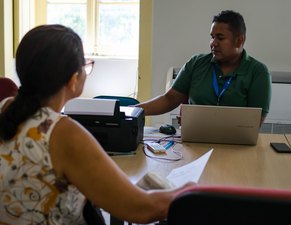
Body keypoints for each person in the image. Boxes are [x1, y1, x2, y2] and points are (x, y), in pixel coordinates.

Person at [0, 24, 195, 225]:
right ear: (74, 80)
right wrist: (188, 191)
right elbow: (140, 208)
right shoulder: (63, 133)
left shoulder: (5, 108)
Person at [136, 10, 272, 126]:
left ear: (239, 40)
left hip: (236, 145)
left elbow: (254, 123)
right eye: (212, 37)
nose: (213, 43)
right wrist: (132, 110)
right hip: (193, 141)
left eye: (220, 38)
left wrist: (203, 123)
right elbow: (169, 99)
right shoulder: (196, 63)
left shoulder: (258, 72)